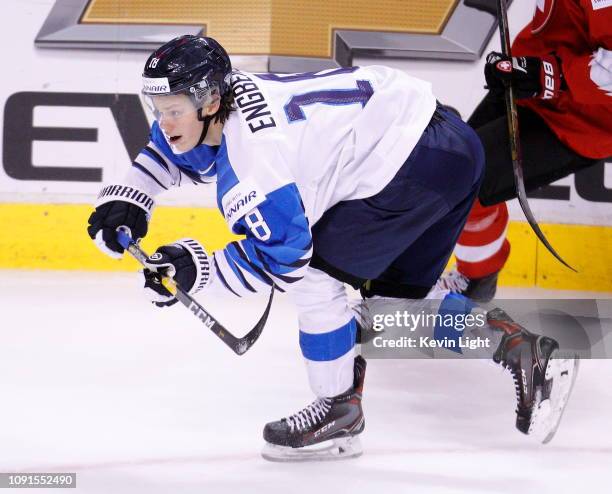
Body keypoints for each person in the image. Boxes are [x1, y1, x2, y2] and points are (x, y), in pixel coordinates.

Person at [86, 35, 577, 461]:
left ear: (210, 101)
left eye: (173, 109)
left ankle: (338, 409)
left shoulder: (252, 164)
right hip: (445, 143)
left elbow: (286, 261)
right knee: (389, 313)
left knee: (316, 276)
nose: (164, 121)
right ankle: (519, 346)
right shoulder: (225, 98)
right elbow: (171, 146)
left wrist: (195, 269)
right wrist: (132, 196)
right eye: (160, 108)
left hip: (410, 165)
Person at [439, 0, 612, 302]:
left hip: (579, 121)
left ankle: (463, 284)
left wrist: (552, 76)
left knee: (459, 179)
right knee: (450, 176)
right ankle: (476, 278)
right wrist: (537, 72)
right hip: (530, 80)